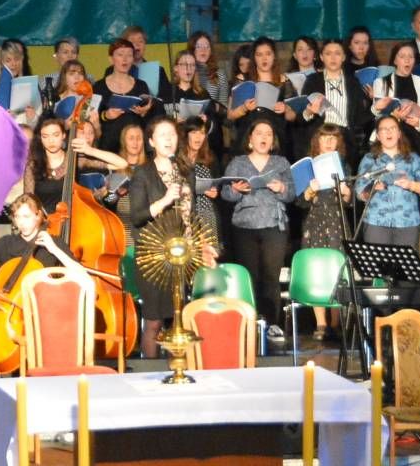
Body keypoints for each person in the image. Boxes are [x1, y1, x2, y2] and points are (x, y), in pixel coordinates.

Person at [125, 118, 204, 357]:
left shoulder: (186, 171)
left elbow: (192, 215)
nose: (168, 139)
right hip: (152, 255)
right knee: (154, 321)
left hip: (180, 254)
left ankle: (176, 368)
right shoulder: (142, 173)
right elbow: (137, 216)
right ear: (151, 142)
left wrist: (196, 242)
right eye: (162, 135)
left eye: (172, 134)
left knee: (176, 321)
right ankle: (150, 370)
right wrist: (166, 199)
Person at [220, 120, 295, 345]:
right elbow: (225, 194)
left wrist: (281, 188)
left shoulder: (281, 163)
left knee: (271, 276)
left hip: (274, 225)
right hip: (244, 226)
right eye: (259, 133)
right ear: (250, 139)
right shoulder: (238, 163)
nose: (264, 137)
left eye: (269, 134)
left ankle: (272, 323)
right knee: (249, 276)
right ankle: (249, 321)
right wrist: (235, 190)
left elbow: (292, 194)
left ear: (273, 141)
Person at [298, 125, 353, 337]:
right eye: (325, 137)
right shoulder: (308, 166)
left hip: (337, 220)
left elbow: (349, 202)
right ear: (317, 140)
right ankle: (321, 324)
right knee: (316, 269)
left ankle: (336, 322)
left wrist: (345, 192)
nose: (329, 142)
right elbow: (299, 202)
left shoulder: (343, 165)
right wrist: (309, 191)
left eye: (333, 138)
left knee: (337, 269)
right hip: (315, 221)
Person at [355, 115, 420, 249]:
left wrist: (411, 185)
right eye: (384, 129)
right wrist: (372, 189)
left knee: (403, 261)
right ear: (378, 136)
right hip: (376, 222)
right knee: (378, 261)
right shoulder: (369, 159)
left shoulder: (413, 159)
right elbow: (359, 192)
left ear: (399, 134)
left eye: (392, 128)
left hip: (407, 223)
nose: (388, 132)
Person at [298, 38, 372, 157]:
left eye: (337, 53)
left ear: (343, 57)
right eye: (328, 54)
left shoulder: (353, 82)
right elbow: (301, 116)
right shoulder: (312, 81)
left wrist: (375, 107)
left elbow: (359, 117)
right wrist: (309, 112)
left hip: (345, 139)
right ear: (321, 57)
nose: (333, 58)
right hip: (320, 137)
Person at [368, 42, 420, 152]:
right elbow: (376, 113)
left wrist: (419, 123)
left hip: (415, 139)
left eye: (411, 57)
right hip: (390, 139)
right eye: (402, 56)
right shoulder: (381, 82)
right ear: (395, 60)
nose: (407, 60)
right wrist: (395, 116)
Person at [94, 39, 155, 153]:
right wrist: (106, 115)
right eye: (120, 54)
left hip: (136, 141)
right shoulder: (99, 86)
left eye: (129, 55)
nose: (125, 59)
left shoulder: (141, 85)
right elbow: (93, 116)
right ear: (111, 59)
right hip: (110, 141)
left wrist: (144, 112)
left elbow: (148, 120)